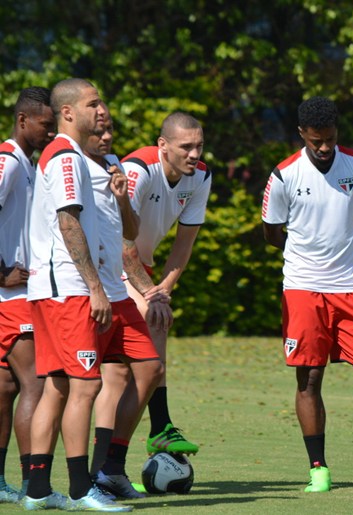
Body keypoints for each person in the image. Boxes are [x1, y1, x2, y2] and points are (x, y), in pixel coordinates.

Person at [261, 96, 353, 493]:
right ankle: (318, 468)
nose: (324, 147)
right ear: (302, 134)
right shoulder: (283, 175)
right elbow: (271, 232)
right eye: (316, 140)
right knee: (310, 378)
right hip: (302, 288)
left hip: (351, 287)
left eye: (330, 139)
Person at [22, 78, 132, 511]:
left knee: (58, 388)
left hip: (48, 290)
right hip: (68, 290)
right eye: (92, 103)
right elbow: (69, 223)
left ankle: (36, 491)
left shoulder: (63, 155)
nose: (100, 110)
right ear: (68, 112)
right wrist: (95, 288)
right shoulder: (66, 157)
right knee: (85, 387)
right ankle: (81, 489)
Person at [83, 112, 166, 499]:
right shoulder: (69, 165)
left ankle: (110, 469)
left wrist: (121, 200)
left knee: (148, 369)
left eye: (110, 131)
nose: (107, 137)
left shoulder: (117, 167)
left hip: (117, 290)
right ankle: (67, 482)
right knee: (77, 386)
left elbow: (128, 234)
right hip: (84, 290)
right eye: (99, 132)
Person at [120, 112, 210, 456]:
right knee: (153, 318)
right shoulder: (138, 170)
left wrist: (164, 289)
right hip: (105, 261)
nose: (194, 154)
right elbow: (120, 243)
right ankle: (160, 426)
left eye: (199, 146)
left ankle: (110, 468)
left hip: (138, 265)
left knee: (120, 376)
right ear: (163, 145)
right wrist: (150, 295)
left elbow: (182, 246)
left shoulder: (200, 177)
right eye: (186, 146)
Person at [0, 87, 53, 502]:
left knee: (5, 389)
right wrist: (1, 272)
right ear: (22, 120)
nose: (50, 133)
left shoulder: (27, 164)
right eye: (45, 125)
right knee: (36, 385)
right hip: (11, 297)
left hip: (14, 296)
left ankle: (2, 485)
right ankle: (33, 485)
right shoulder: (9, 162)